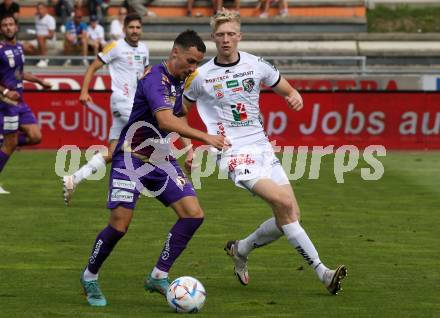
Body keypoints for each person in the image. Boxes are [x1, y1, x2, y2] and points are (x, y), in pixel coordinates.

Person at [183, 9, 347, 294]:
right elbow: (179, 112)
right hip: (233, 153)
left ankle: (241, 249)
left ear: (239, 36)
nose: (225, 40)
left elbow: (287, 89)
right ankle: (323, 272)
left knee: (292, 212)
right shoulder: (200, 76)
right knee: (283, 205)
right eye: (220, 35)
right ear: (213, 38)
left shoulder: (256, 64)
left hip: (262, 146)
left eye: (231, 34)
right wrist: (189, 146)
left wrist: (294, 96)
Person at [78, 29, 228, 307]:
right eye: (191, 61)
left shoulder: (180, 80)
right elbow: (166, 121)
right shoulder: (153, 80)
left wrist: (188, 147)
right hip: (130, 158)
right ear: (175, 53)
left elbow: (179, 115)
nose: (193, 68)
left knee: (193, 215)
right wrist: (205, 138)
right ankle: (89, 276)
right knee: (119, 226)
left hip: (159, 158)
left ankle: (159, 275)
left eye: (197, 63)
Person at [62, 13, 149, 205]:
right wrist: (84, 91)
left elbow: (145, 75)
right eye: (131, 27)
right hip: (121, 100)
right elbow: (93, 66)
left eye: (138, 27)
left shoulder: (144, 49)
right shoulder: (115, 46)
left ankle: (74, 178)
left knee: (112, 152)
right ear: (124, 29)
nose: (135, 31)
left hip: (134, 102)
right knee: (146, 137)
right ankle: (132, 183)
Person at [0, 14, 51, 194]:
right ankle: (6, 142)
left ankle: (4, 141)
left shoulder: (19, 48)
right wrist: (5, 92)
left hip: (20, 101)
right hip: (6, 102)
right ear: (1, 29)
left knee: (36, 136)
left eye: (10, 24)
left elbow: (19, 74)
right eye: (4, 25)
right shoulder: (0, 49)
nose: (8, 27)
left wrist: (39, 81)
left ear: (16, 27)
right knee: (10, 143)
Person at [23, 2, 57, 68]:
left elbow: (51, 35)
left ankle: (43, 59)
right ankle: (41, 57)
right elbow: (38, 31)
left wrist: (42, 37)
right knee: (24, 46)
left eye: (41, 9)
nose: (39, 10)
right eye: (38, 9)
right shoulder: (37, 17)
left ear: (45, 9)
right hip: (38, 39)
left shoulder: (50, 19)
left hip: (49, 41)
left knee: (40, 37)